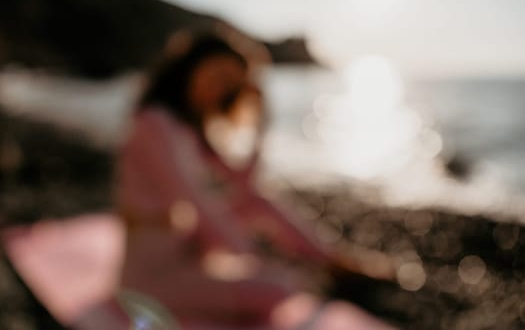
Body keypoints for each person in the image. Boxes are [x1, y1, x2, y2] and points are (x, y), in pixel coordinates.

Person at [106, 31, 395, 329]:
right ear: (191, 66)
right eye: (217, 74)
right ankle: (324, 267)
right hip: (152, 276)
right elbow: (198, 202)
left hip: (188, 250)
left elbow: (245, 185)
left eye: (229, 84)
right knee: (282, 287)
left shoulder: (186, 128)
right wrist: (253, 260)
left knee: (257, 206)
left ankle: (333, 262)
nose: (219, 89)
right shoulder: (155, 123)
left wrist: (262, 117)